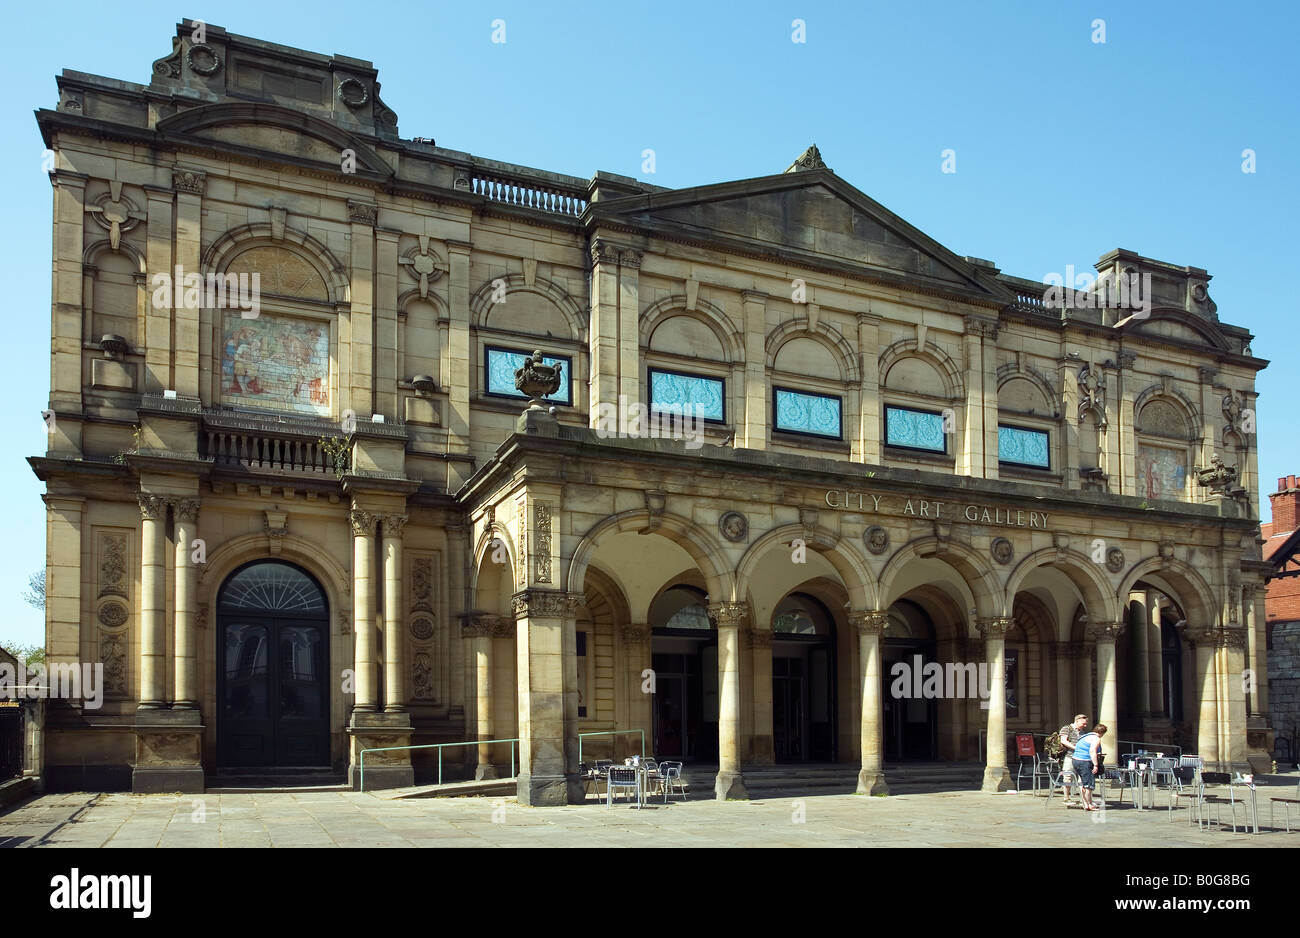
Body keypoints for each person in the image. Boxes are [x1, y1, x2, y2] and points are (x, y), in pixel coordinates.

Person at [1072, 723, 1108, 812]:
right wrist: (1095, 765)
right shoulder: (1096, 738)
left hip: (1075, 760)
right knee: (1089, 785)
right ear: (1102, 733)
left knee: (1083, 782)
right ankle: (1090, 804)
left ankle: (1086, 803)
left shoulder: (1085, 736)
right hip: (1085, 761)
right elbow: (1092, 751)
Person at [1056, 714, 1088, 805]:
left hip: (1080, 757)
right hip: (1069, 756)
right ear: (1077, 721)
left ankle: (1083, 798)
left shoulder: (1082, 732)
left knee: (1082, 778)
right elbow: (1063, 741)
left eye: (1086, 724)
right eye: (1083, 723)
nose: (1085, 725)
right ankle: (1066, 798)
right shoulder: (1066, 728)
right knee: (1067, 777)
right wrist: (1075, 748)